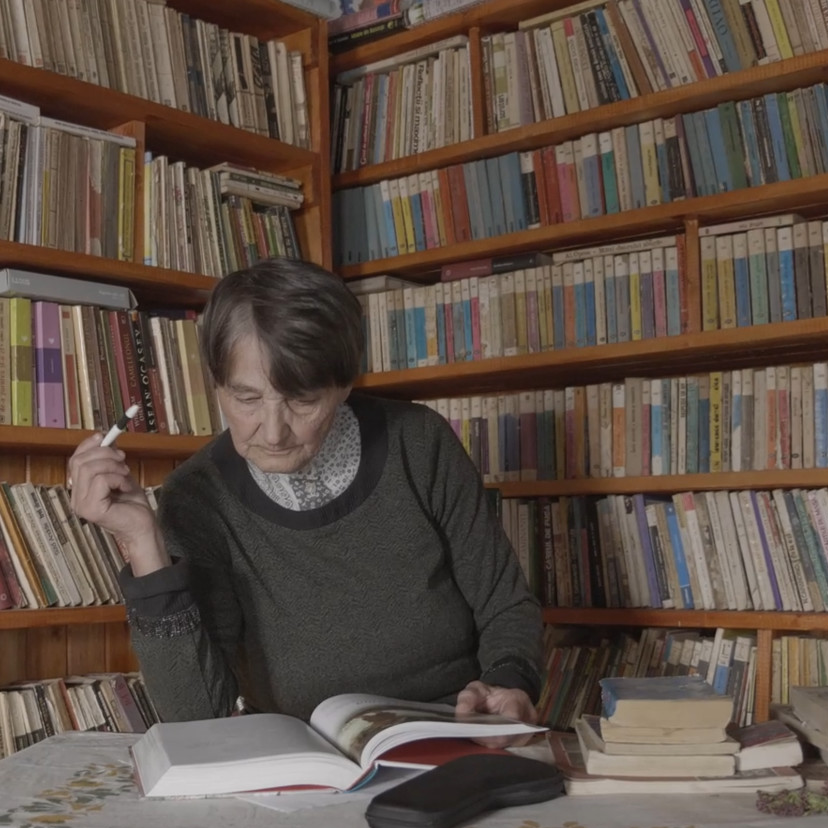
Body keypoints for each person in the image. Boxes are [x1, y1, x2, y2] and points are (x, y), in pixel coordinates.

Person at [67, 258, 543, 730]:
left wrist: (508, 682)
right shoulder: (197, 496)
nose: (273, 433)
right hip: (298, 750)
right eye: (247, 399)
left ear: (343, 385)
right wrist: (144, 546)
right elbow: (196, 716)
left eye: (303, 400)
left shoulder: (418, 442)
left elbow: (505, 604)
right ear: (216, 385)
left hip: (449, 728)